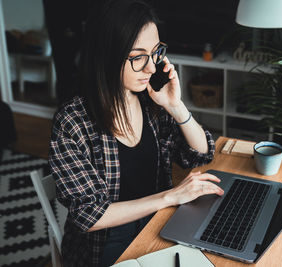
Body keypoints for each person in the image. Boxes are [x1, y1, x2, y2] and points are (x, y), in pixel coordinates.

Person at [48, 1, 224, 266]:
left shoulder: (150, 101)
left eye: (155, 53)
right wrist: (170, 197)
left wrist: (175, 106)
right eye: (138, 56)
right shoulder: (72, 123)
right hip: (106, 244)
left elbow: (201, 153)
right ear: (106, 55)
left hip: (160, 221)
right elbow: (89, 216)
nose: (152, 67)